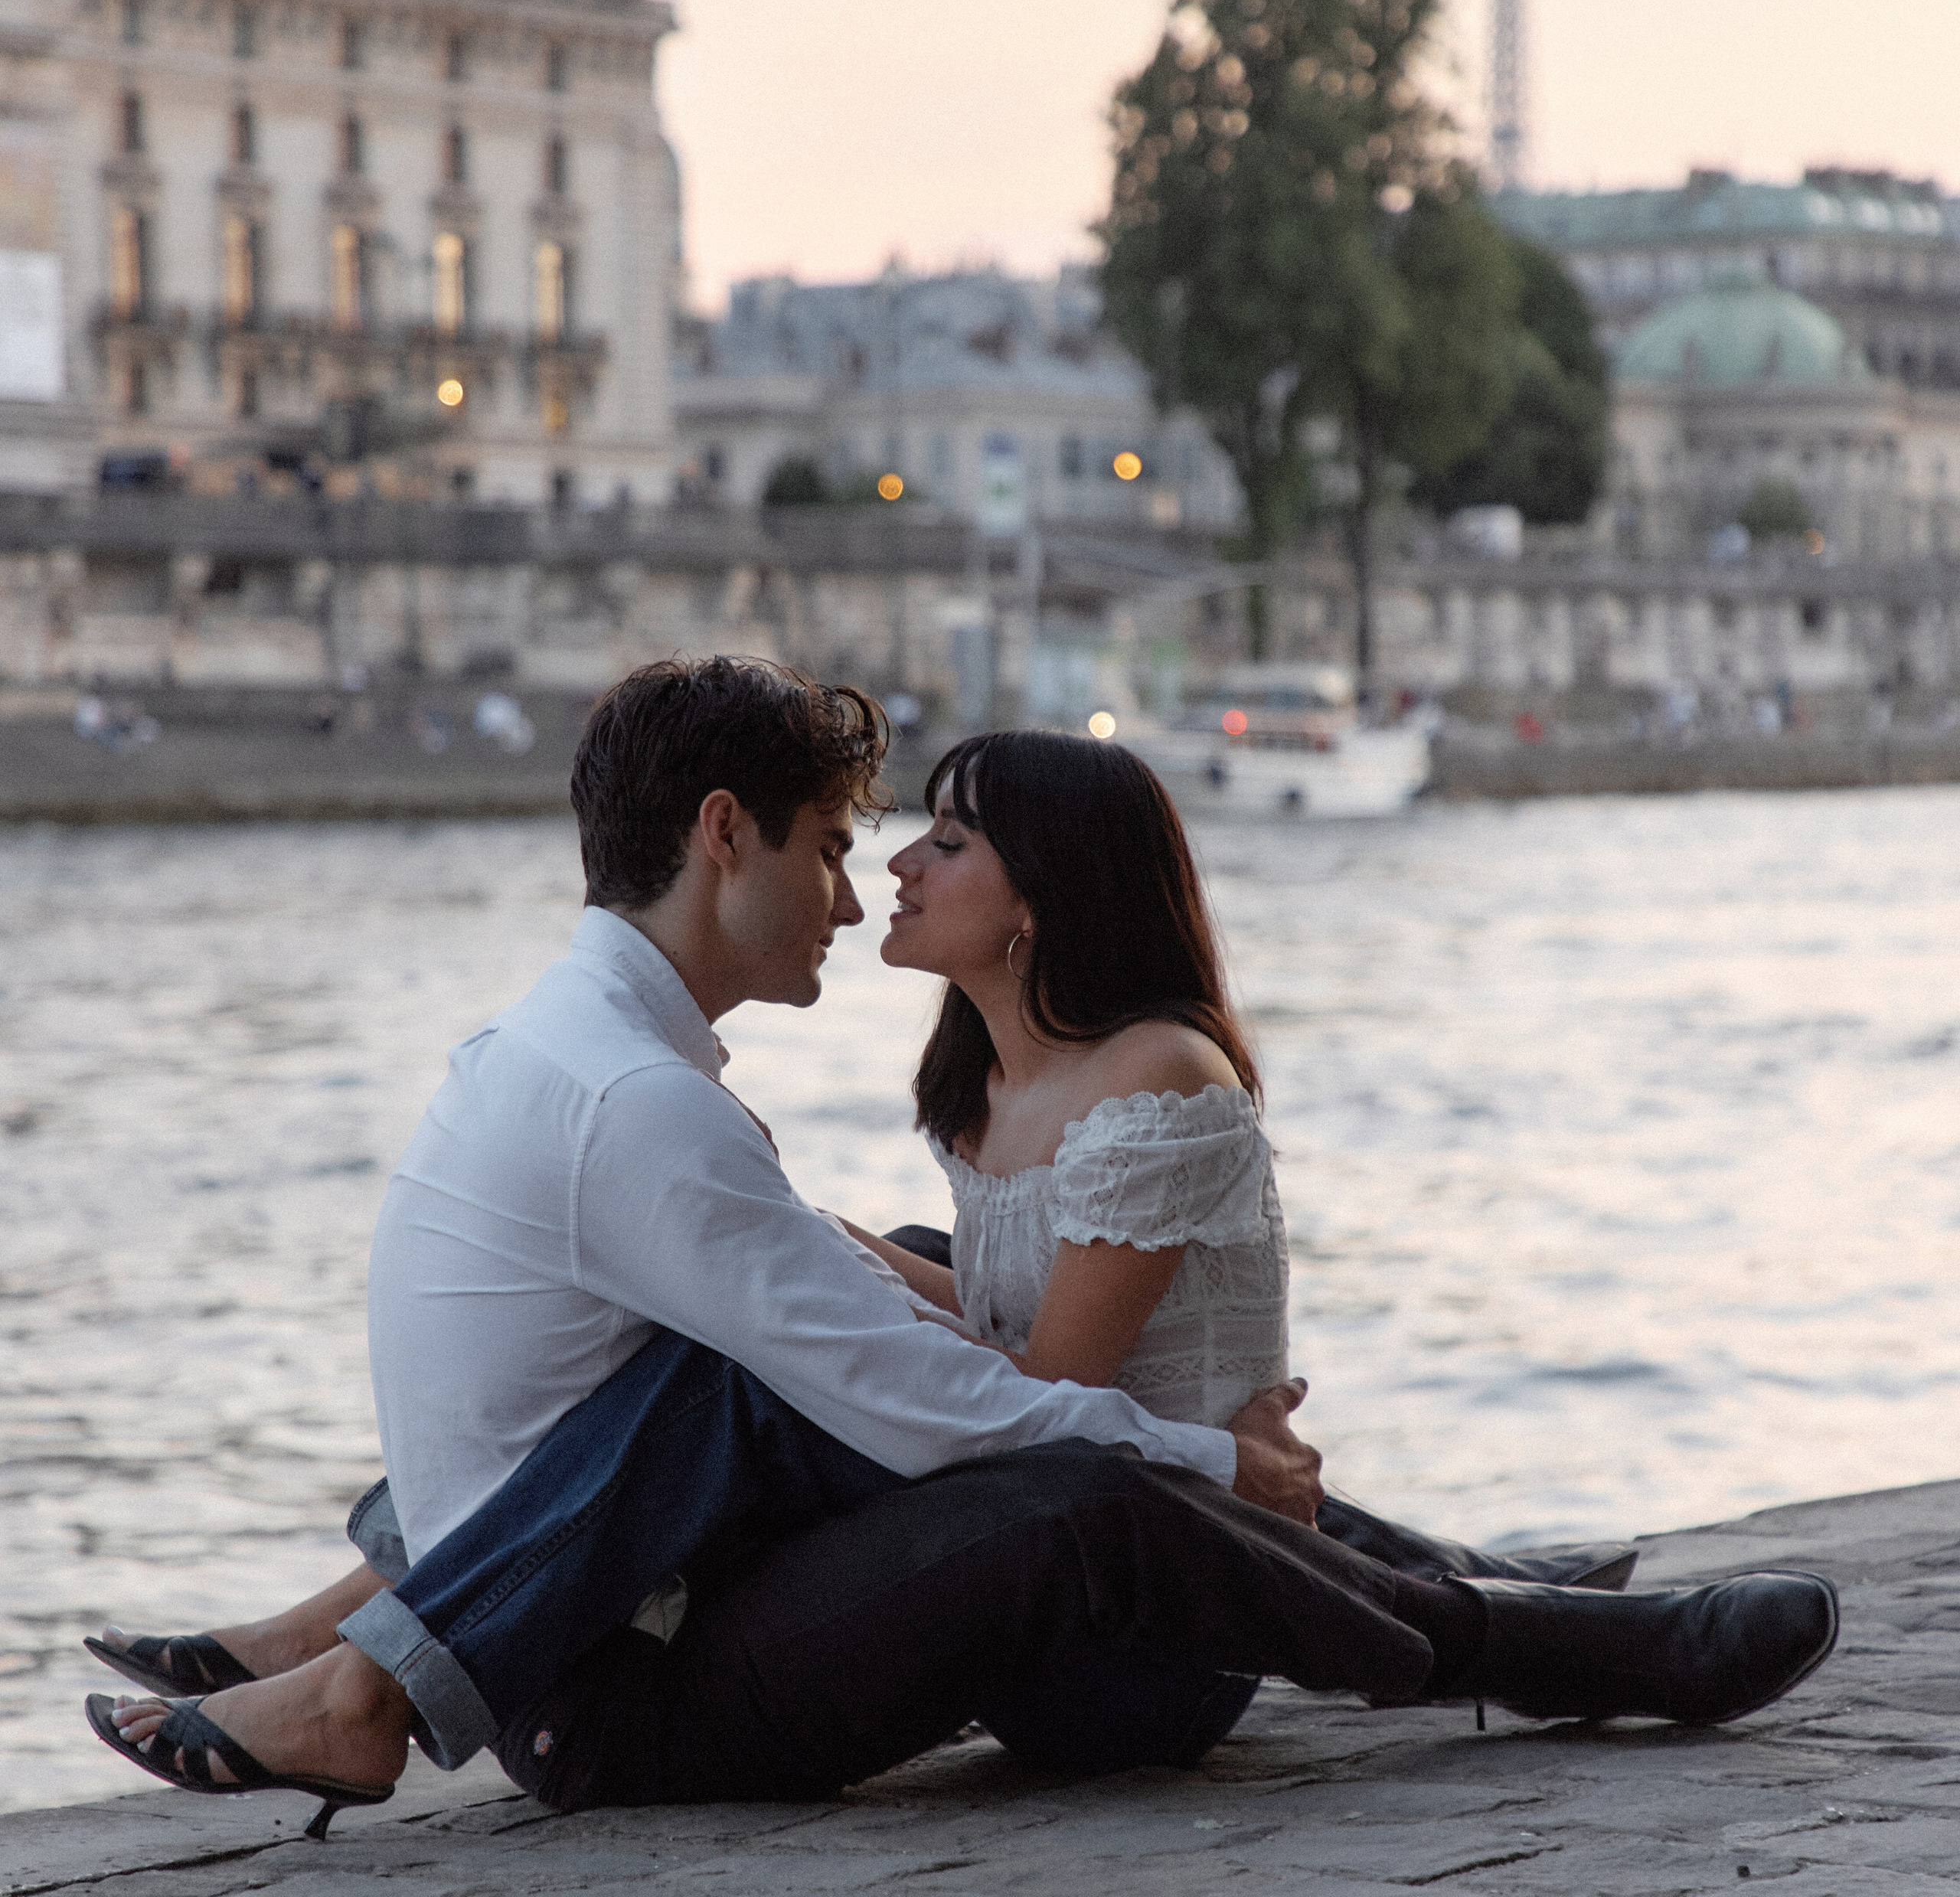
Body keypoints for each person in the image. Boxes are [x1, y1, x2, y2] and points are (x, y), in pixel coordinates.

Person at [88, 661, 1838, 1828]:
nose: (859, 896)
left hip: (606, 1621)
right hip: (605, 1686)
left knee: (855, 1307)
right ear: (723, 837)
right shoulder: (640, 1108)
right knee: (1035, 1465)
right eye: (838, 848)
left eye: (910, 848)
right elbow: (963, 1421)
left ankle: (347, 1654)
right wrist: (1205, 1449)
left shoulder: (557, 1049)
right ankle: (1527, 1642)